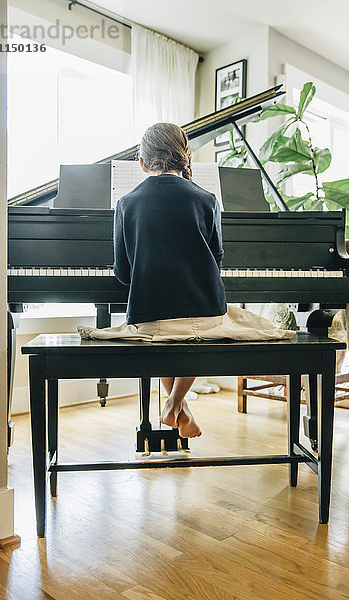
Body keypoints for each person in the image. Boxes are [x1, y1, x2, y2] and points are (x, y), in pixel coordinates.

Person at [78, 122, 295, 438]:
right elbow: (216, 261)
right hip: (204, 318)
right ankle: (177, 405)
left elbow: (124, 275)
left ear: (141, 163)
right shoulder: (206, 199)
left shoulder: (126, 203)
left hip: (150, 321)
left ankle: (174, 404)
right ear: (185, 159)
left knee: (165, 331)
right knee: (210, 326)